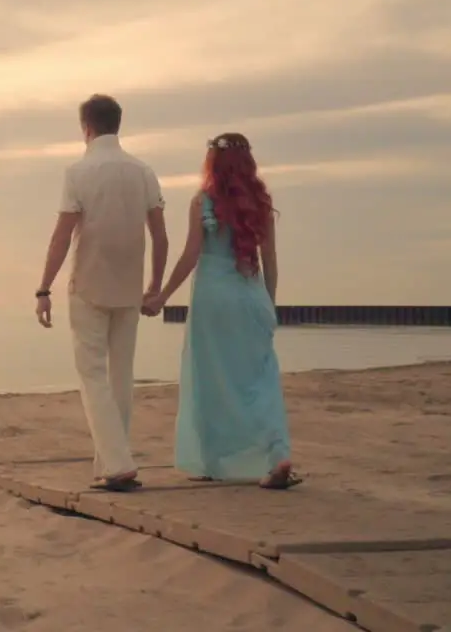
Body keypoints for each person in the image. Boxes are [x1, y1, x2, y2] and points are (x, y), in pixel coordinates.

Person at [142, 133, 300, 490]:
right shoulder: (260, 203)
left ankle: (214, 462)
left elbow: (190, 255)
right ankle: (277, 452)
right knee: (260, 379)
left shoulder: (203, 202)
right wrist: (269, 305)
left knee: (211, 380)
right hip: (250, 296)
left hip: (213, 300)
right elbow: (270, 260)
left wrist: (162, 295)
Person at [35, 94, 168, 492]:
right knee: (120, 376)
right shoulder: (143, 171)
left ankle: (117, 463)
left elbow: (62, 235)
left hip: (89, 284)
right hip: (129, 287)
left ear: (86, 127)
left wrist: (43, 288)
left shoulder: (78, 172)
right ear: (118, 124)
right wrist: (155, 286)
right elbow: (160, 237)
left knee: (92, 375)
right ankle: (110, 462)